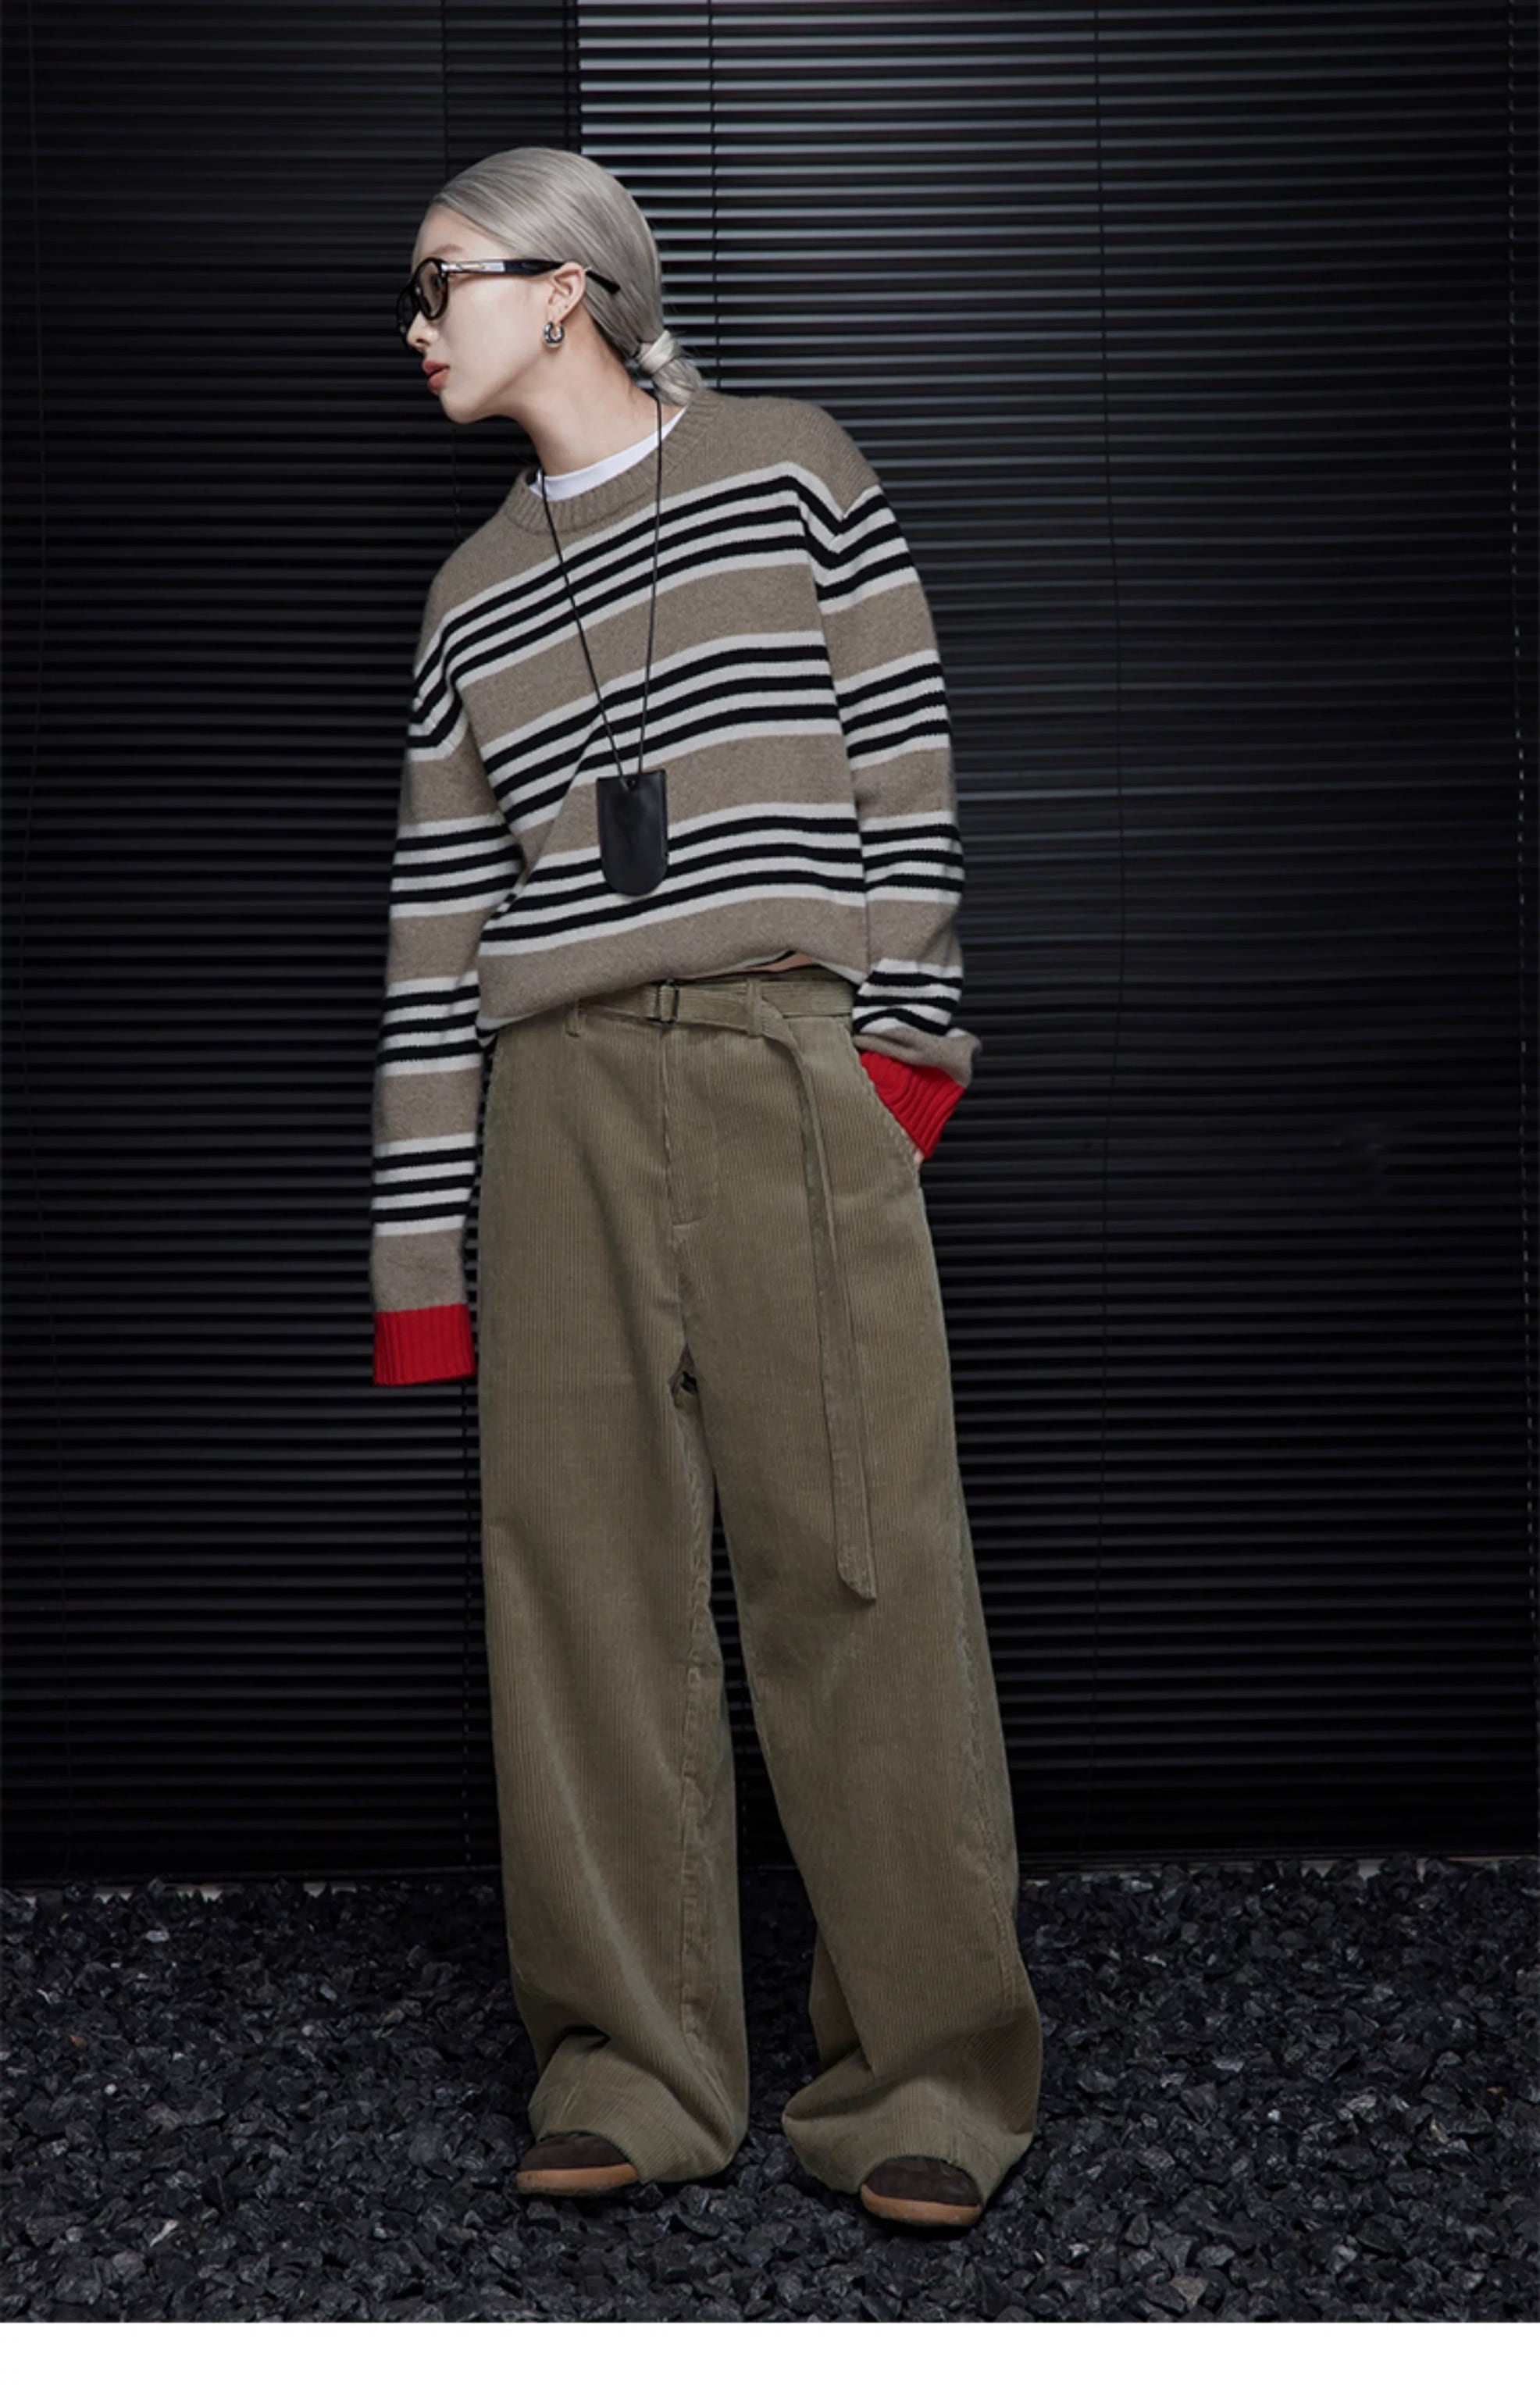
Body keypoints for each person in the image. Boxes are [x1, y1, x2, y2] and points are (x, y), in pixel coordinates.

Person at [374, 144, 1043, 2231]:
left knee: (862, 1560)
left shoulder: (790, 468)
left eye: (441, 281)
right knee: (580, 1588)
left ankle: (928, 2073)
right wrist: (419, 1263)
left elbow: (905, 762)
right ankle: (630, 2066)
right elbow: (431, 937)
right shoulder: (469, 594)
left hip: (784, 1062)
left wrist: (898, 1066)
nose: (414, 326)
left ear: (566, 285)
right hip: (554, 1099)